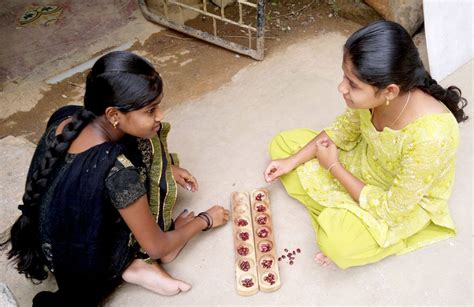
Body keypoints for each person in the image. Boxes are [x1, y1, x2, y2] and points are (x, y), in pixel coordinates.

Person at [1, 51, 230, 306]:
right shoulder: (118, 172)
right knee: (155, 229)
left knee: (142, 149)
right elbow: (158, 248)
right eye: (150, 109)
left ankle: (136, 265)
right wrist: (204, 221)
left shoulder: (68, 117)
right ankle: (131, 265)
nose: (160, 115)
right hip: (83, 267)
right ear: (113, 115)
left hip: (50, 242)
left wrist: (166, 169)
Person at [264, 20, 468, 269]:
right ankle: (336, 214)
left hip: (398, 202)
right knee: (283, 144)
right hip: (362, 164)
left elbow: (393, 210)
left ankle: (340, 220)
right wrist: (290, 162)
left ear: (390, 91)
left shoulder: (432, 136)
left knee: (339, 245)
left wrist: (333, 168)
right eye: (344, 77)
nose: (341, 88)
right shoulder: (376, 99)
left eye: (353, 84)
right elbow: (341, 132)